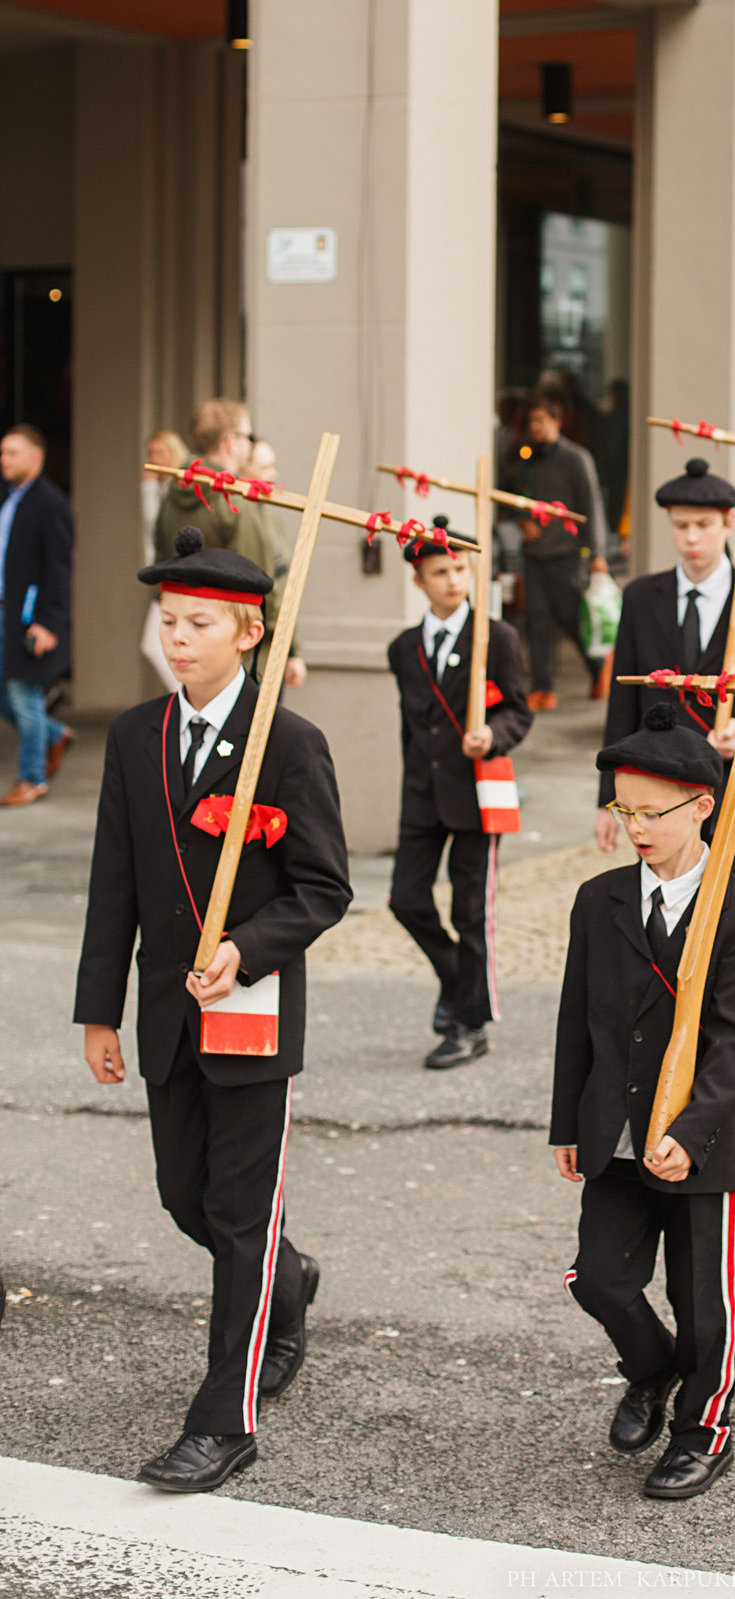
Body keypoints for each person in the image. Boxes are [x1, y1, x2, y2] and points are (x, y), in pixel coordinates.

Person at [73, 527, 351, 1492]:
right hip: (162, 1013)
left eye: (198, 623)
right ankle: (290, 1275)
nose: (177, 637)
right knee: (184, 1198)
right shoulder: (134, 735)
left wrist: (248, 948)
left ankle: (222, 1420)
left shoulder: (290, 741)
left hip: (252, 1009)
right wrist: (96, 1010)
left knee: (235, 1216)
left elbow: (323, 887)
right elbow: (114, 881)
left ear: (249, 630)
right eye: (168, 620)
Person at [552, 704, 735, 1501]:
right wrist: (565, 1124)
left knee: (700, 1297)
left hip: (698, 1137)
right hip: (612, 1127)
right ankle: (652, 1371)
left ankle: (703, 1427)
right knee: (597, 1280)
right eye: (625, 810)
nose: (637, 828)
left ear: (704, 806)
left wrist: (690, 1127)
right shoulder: (598, 899)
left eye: (655, 813)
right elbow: (576, 1017)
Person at [595, 458, 735, 874]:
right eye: (681, 525)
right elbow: (623, 706)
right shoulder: (640, 598)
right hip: (652, 792)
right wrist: (606, 800)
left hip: (725, 786)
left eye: (703, 524)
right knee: (657, 903)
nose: (691, 537)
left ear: (729, 522)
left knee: (719, 908)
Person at [387, 517, 532, 1069]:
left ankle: (470, 1024)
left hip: (477, 791)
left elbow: (519, 710)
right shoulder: (403, 649)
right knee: (406, 898)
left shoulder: (496, 638)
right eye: (440, 571)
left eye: (460, 569)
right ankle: (455, 979)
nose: (453, 579)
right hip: (422, 795)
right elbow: (411, 726)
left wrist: (493, 735)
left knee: (472, 910)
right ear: (418, 580)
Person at [153, 399, 304, 688]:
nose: (250, 445)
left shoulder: (171, 496)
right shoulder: (236, 501)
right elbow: (262, 584)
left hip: (187, 647)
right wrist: (287, 646)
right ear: (230, 443)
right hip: (239, 655)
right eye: (248, 437)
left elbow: (161, 566)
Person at [499, 393, 609, 712]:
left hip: (567, 554)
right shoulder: (524, 459)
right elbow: (514, 498)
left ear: (556, 422)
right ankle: (542, 687)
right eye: (531, 421)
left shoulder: (577, 458)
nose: (534, 427)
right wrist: (523, 522)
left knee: (573, 619)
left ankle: (598, 669)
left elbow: (593, 507)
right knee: (536, 621)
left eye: (540, 420)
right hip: (534, 554)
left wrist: (597, 554)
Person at [0, 424, 74, 806]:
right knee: (7, 693)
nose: (4, 460)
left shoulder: (50, 503)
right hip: (4, 612)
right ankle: (54, 733)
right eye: (2, 453)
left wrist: (47, 621)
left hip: (29, 618)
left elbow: (59, 570)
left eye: (12, 453)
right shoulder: (10, 498)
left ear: (36, 457)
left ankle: (32, 778)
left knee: (24, 693)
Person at [239, 439, 306, 689]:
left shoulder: (272, 522)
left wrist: (292, 651)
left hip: (273, 654)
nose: (274, 475)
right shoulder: (239, 521)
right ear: (242, 468)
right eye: (266, 468)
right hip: (248, 658)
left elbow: (284, 589)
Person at [141, 429, 188, 693]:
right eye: (151, 453)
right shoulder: (165, 487)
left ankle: (190, 695)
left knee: (155, 644)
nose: (154, 458)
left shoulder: (175, 488)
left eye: (160, 452)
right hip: (163, 577)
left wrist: (147, 489)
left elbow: (155, 528)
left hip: (172, 578)